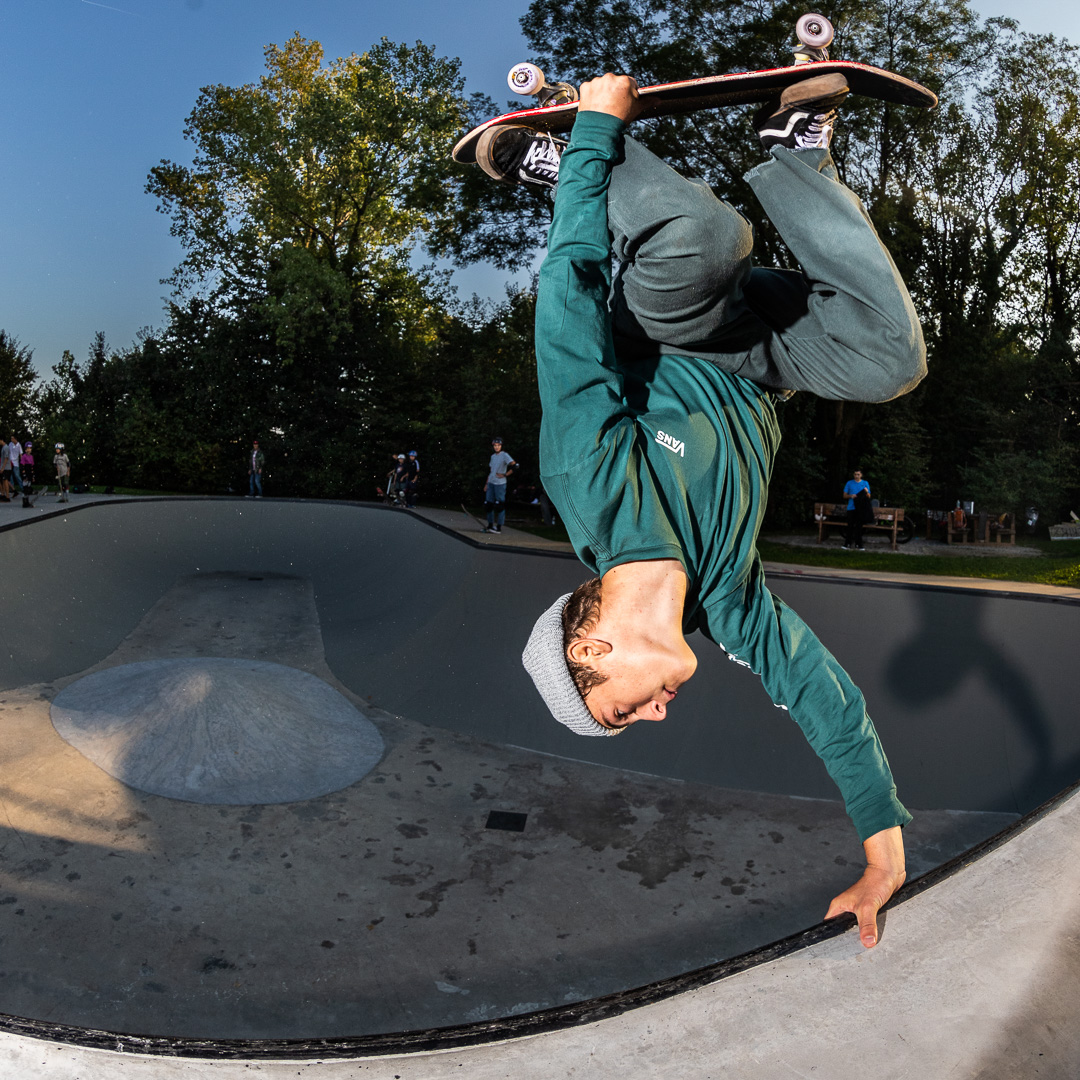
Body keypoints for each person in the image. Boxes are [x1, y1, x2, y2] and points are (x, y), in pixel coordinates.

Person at [495, 74, 927, 949]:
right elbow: (821, 696)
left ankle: (555, 160)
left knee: (706, 234)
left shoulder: (591, 482)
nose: (658, 714)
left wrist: (589, 141)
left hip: (666, 320)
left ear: (590, 648)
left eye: (624, 709)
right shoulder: (727, 604)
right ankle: (794, 149)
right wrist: (884, 853)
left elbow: (570, 302)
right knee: (890, 360)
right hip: (760, 352)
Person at [483, 437, 518, 534]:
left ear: (501, 446)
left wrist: (505, 474)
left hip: (500, 484)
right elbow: (491, 471)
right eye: (495, 446)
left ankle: (498, 527)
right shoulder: (493, 456)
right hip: (491, 482)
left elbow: (515, 466)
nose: (496, 447)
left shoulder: (505, 455)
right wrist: (486, 484)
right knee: (488, 505)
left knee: (499, 505)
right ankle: (490, 525)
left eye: (498, 445)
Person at [843, 468, 873, 550]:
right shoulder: (849, 483)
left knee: (859, 527)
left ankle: (858, 544)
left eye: (858, 474)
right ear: (853, 475)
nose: (857, 476)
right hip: (851, 507)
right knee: (850, 526)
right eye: (855, 474)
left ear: (861, 475)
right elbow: (844, 495)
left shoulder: (865, 483)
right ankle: (847, 544)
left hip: (861, 509)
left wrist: (866, 492)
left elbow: (869, 496)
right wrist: (851, 496)